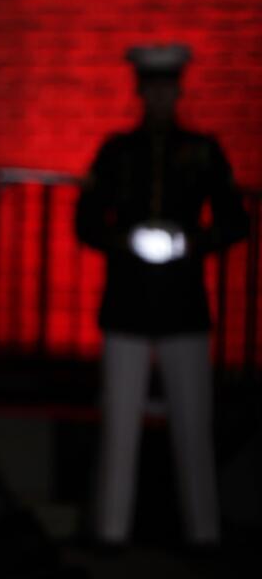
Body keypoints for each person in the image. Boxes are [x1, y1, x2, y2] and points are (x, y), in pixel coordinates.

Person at [76, 44, 248, 548]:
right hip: (128, 303)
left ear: (177, 91)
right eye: (151, 87)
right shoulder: (116, 152)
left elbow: (234, 219)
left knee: (195, 425)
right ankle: (111, 531)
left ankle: (204, 533)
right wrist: (124, 241)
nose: (158, 96)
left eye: (166, 87)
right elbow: (86, 221)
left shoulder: (203, 151)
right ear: (140, 91)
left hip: (183, 305)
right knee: (120, 426)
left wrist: (190, 242)